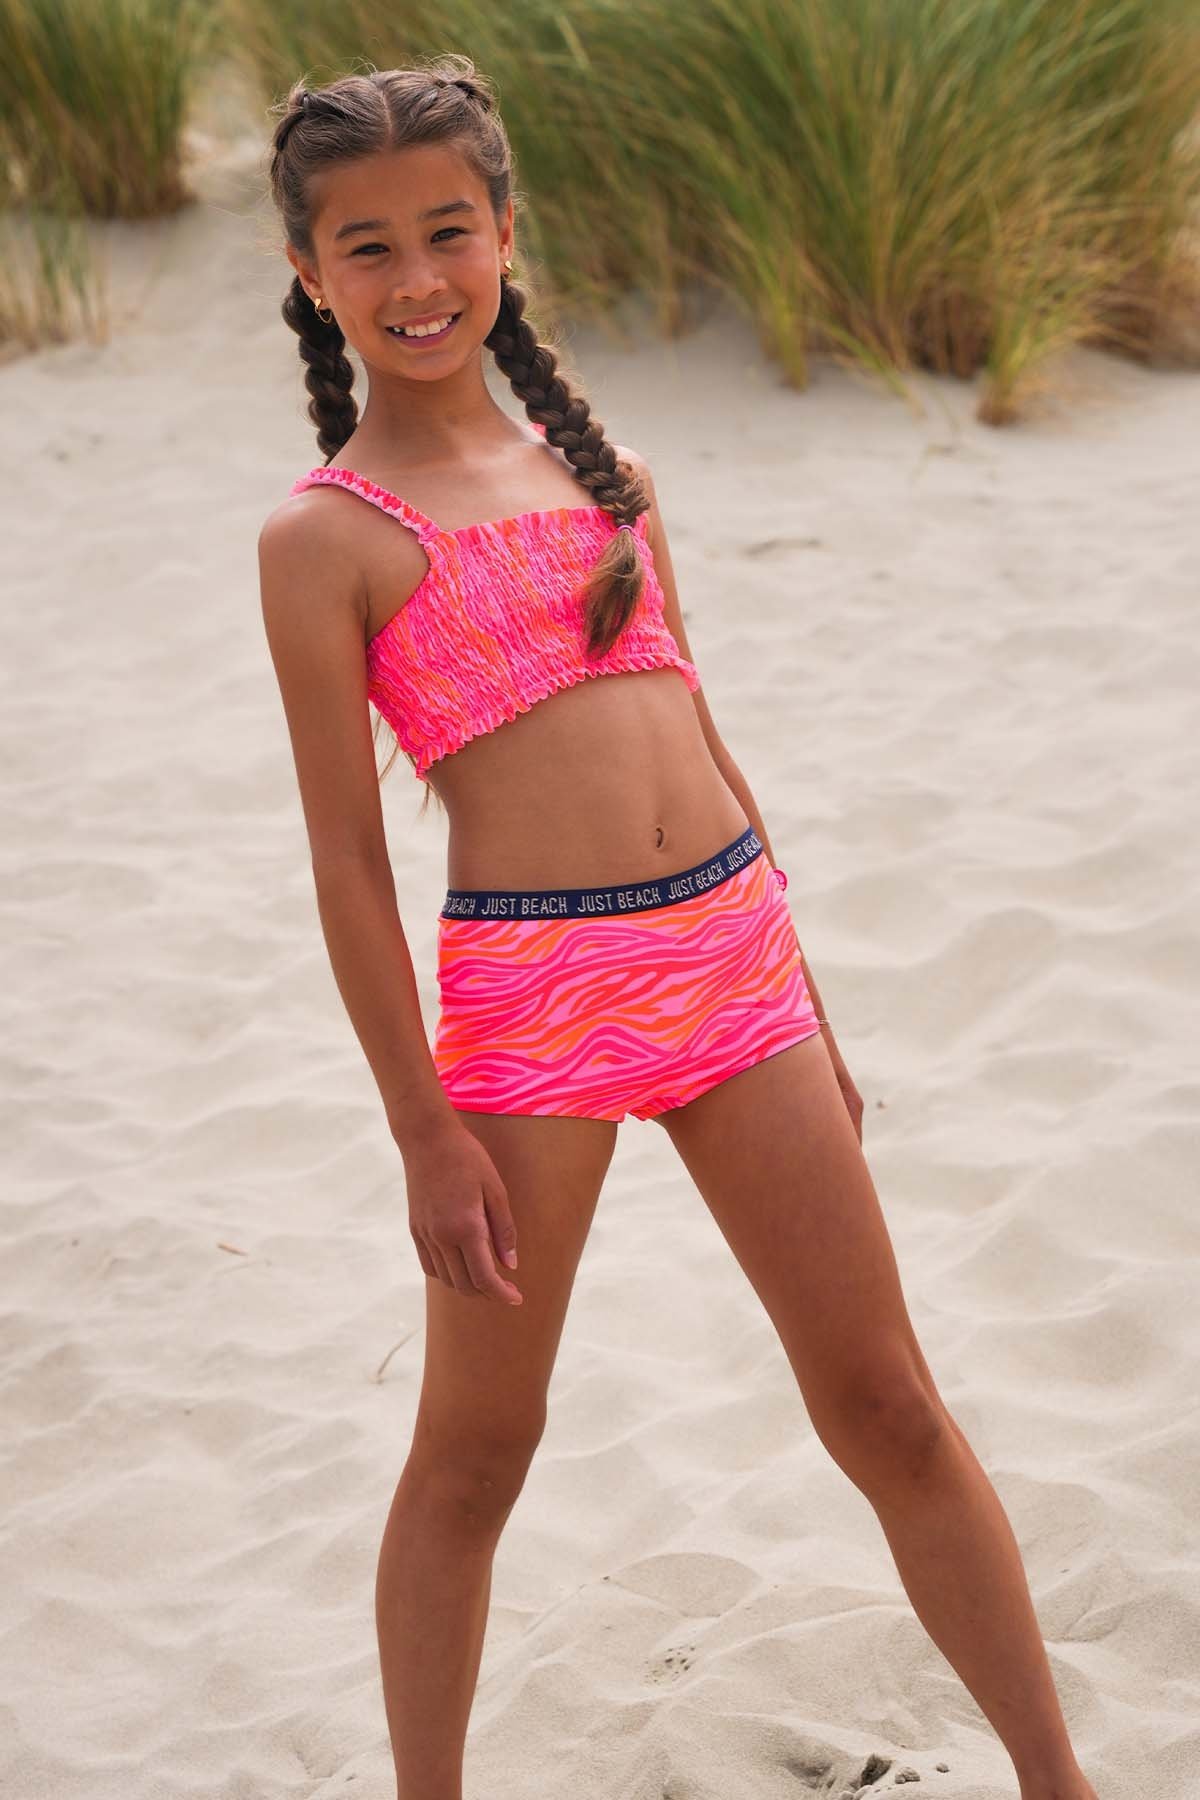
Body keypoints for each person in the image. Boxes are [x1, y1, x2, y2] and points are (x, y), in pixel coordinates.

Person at [257, 55, 1096, 1800]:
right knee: (478, 1453)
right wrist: (421, 1130)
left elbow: (707, 741)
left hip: (734, 965)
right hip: (533, 1001)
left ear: (506, 232)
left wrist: (813, 1007)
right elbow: (345, 861)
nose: (417, 278)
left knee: (887, 1404)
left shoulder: (606, 470)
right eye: (367, 247)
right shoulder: (325, 539)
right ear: (310, 273)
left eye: (447, 230)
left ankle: (1059, 1783)